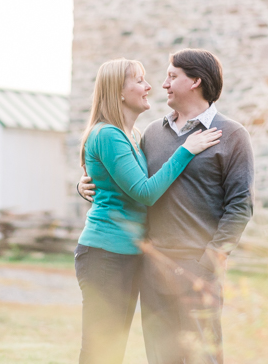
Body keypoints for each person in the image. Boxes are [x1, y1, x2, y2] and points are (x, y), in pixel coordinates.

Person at [79, 49, 254, 364]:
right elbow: (130, 183)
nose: (162, 85)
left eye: (172, 76)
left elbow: (240, 207)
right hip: (152, 269)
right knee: (160, 358)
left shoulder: (232, 135)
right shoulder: (151, 135)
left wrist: (211, 260)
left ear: (196, 81)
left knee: (203, 358)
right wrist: (84, 184)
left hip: (198, 269)